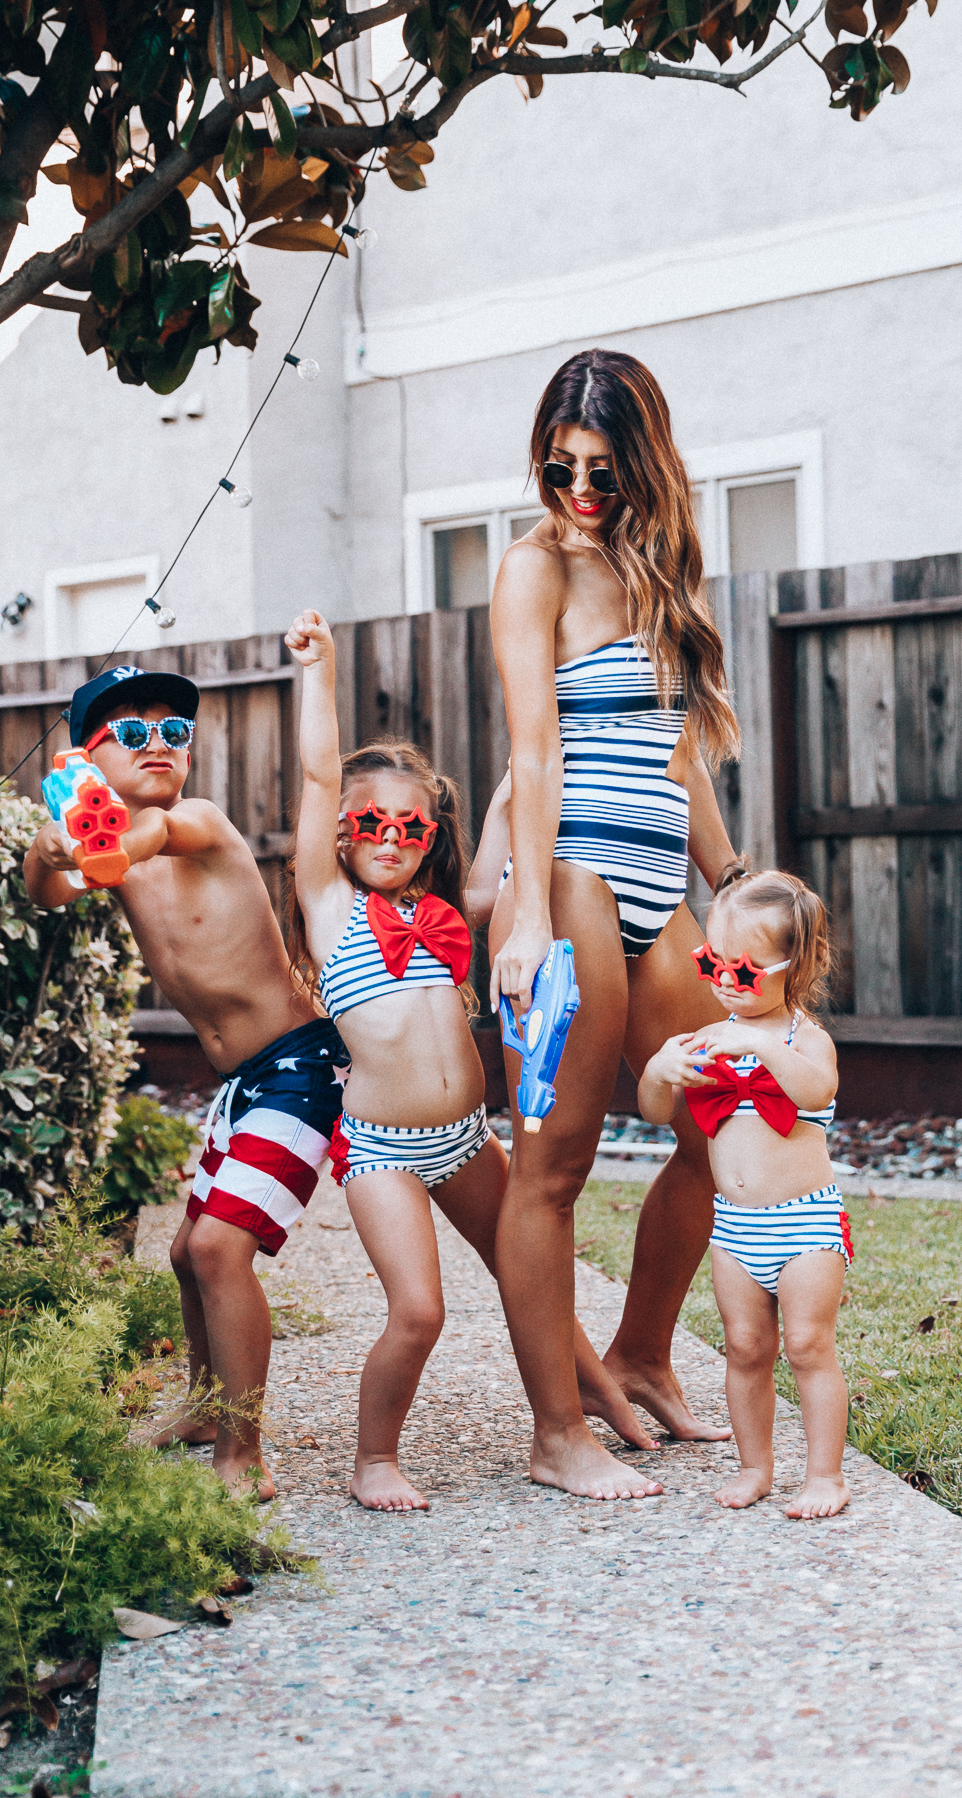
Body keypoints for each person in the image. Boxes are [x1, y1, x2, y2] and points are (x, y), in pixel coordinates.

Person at [284, 610, 653, 1510]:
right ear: (340, 829)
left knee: (530, 1277)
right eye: (369, 821)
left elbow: (492, 873)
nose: (389, 837)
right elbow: (315, 771)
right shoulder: (329, 904)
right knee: (420, 1310)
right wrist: (319, 672)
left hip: (463, 1140)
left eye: (410, 828)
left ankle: (609, 1405)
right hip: (382, 1151)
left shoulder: (447, 913)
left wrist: (512, 795)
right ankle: (375, 1457)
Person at [489, 347, 740, 1500]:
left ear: (646, 465)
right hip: (578, 878)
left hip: (662, 893)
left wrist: (731, 886)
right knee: (554, 1166)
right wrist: (527, 915)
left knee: (723, 1128)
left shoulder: (659, 569)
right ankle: (555, 1434)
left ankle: (640, 1351)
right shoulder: (533, 569)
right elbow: (534, 752)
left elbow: (680, 750)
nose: (582, 491)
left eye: (604, 469)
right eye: (562, 467)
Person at [23, 664, 347, 1502]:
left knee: (215, 1248)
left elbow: (145, 842)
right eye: (132, 733)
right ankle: (207, 1409)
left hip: (301, 1065)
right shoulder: (111, 858)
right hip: (244, 1082)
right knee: (182, 1255)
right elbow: (48, 892)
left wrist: (99, 846)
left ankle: (245, 1454)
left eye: (175, 731)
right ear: (91, 757)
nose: (160, 743)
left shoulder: (192, 823)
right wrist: (48, 844)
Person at [639, 862, 850, 1520]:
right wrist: (659, 1068)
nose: (726, 983)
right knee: (745, 1347)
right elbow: (651, 1109)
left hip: (805, 1227)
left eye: (745, 971)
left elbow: (817, 1090)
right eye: (714, 966)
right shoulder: (708, 1040)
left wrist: (758, 1047)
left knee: (808, 1346)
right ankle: (756, 1466)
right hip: (734, 1228)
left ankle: (826, 1475)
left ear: (795, 963)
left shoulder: (804, 1040)